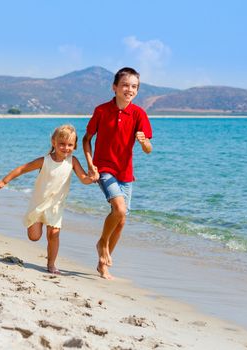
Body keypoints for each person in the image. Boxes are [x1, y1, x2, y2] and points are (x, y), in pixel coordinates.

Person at [83, 67, 153, 279]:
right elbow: (87, 140)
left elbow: (149, 148)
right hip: (104, 168)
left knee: (121, 220)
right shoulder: (102, 110)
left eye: (133, 86)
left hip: (126, 172)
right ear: (114, 87)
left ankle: (103, 264)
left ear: (137, 90)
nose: (129, 89)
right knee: (120, 210)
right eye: (124, 85)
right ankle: (102, 243)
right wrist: (90, 165)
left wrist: (144, 143)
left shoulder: (139, 113)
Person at [0, 124, 93, 274]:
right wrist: (4, 181)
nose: (66, 148)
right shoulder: (45, 161)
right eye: (62, 144)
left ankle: (51, 264)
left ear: (75, 146)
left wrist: (93, 177)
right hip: (38, 204)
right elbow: (22, 168)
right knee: (34, 237)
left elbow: (84, 179)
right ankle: (35, 225)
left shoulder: (73, 162)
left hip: (56, 206)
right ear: (54, 142)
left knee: (54, 234)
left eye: (70, 145)